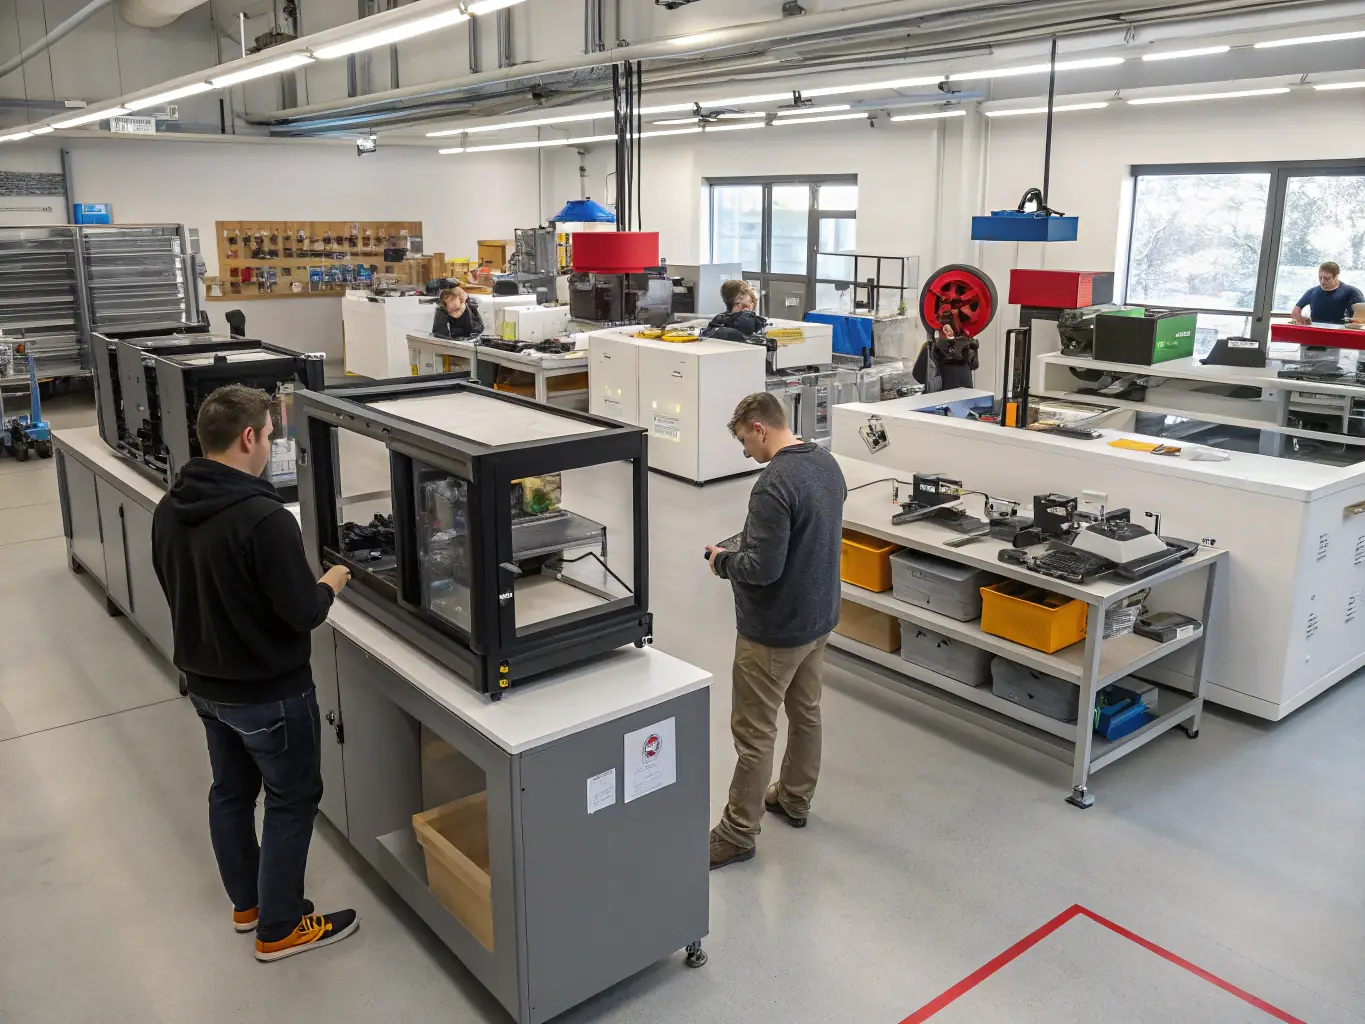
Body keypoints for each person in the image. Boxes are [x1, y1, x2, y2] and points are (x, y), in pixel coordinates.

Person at [151, 384, 359, 963]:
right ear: (249, 437)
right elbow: (304, 613)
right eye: (270, 434)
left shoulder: (172, 507)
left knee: (231, 793)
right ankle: (281, 927)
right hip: (269, 695)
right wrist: (333, 580)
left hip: (206, 687)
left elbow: (177, 587)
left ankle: (248, 905)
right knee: (292, 800)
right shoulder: (265, 519)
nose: (272, 444)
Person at [704, 392, 847, 870]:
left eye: (746, 440)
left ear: (759, 427)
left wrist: (722, 560)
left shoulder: (773, 483)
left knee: (754, 731)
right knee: (806, 712)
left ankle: (737, 831)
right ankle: (794, 798)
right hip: (818, 618)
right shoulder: (827, 464)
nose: (746, 451)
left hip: (774, 631)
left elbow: (762, 569)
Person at [1291, 261, 1364, 325]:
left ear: (1336, 277)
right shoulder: (1312, 292)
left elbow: (1363, 316)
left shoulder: (1352, 292)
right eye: (1320, 278)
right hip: (1317, 333)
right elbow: (1295, 313)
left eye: (1326, 278)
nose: (1322, 281)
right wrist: (1302, 319)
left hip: (1342, 335)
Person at [702, 279, 767, 341]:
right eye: (738, 304)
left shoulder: (757, 324)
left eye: (746, 306)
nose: (744, 310)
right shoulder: (720, 322)